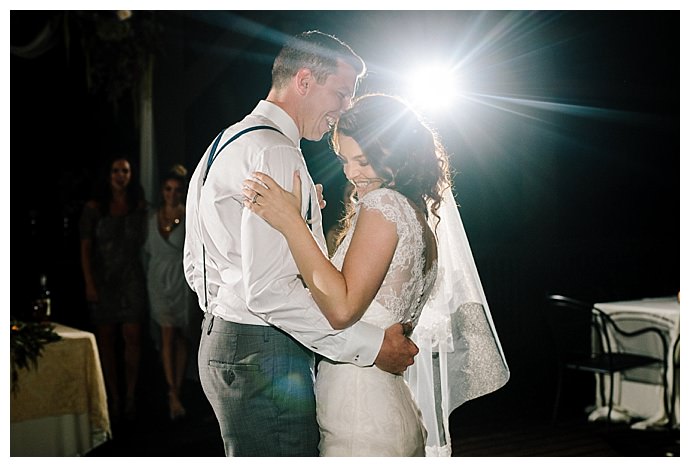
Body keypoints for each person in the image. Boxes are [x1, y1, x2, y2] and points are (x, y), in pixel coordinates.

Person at [184, 30, 419, 457]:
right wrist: (370, 346)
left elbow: (196, 263)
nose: (346, 108)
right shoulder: (276, 153)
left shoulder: (226, 140)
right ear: (305, 80)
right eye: (342, 93)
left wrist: (225, 315)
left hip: (226, 338)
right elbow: (272, 290)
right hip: (265, 352)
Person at [243, 93, 510, 456]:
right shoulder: (415, 214)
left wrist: (291, 224)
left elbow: (341, 309)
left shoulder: (384, 205)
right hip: (381, 405)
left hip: (360, 416)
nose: (351, 173)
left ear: (395, 153)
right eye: (344, 161)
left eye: (363, 160)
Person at [79, 155, 148, 423]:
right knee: (106, 341)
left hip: (131, 279)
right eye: (117, 170)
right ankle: (112, 396)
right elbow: (84, 249)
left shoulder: (138, 206)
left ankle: (130, 396)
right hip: (103, 279)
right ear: (108, 175)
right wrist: (89, 283)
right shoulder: (94, 208)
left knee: (132, 338)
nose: (121, 175)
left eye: (126, 170)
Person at [142, 164, 193, 421]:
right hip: (158, 280)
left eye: (176, 189)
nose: (171, 194)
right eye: (167, 189)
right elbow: (145, 252)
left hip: (180, 279)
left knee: (181, 337)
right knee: (166, 334)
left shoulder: (189, 216)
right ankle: (172, 392)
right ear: (162, 191)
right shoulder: (151, 218)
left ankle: (178, 389)